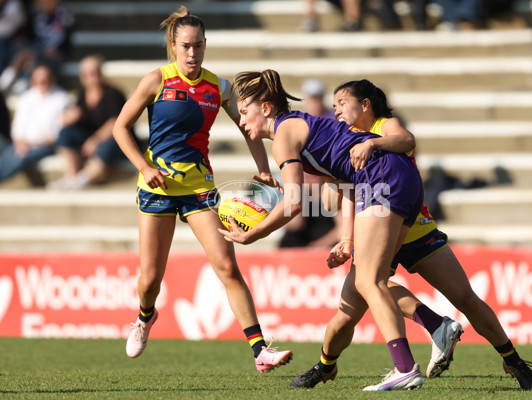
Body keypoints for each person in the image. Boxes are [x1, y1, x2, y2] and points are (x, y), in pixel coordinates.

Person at [290, 79, 532, 391]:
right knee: (349, 311)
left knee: (463, 297)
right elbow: (348, 191)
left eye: (342, 102)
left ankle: (512, 359)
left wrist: (372, 143)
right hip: (379, 226)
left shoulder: (384, 125)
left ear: (365, 104)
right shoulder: (346, 141)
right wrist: (347, 238)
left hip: (410, 224)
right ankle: (325, 367)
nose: (337, 109)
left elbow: (406, 140)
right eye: (335, 104)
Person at [223, 69, 429, 391]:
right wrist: (347, 238)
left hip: (383, 178)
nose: (241, 119)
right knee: (357, 292)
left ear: (265, 108)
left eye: (245, 111)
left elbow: (293, 203)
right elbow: (345, 183)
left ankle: (405, 367)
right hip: (404, 179)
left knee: (368, 280)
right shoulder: (302, 127)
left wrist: (253, 234)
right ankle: (332, 365)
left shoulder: (283, 136)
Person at [112, 7, 292, 372]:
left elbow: (248, 126)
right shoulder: (156, 80)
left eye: (198, 46)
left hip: (199, 190)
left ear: (206, 45)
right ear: (173, 46)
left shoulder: (220, 87)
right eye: (186, 47)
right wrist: (145, 167)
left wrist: (262, 166)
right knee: (149, 279)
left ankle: (260, 350)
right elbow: (119, 128)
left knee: (227, 265)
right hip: (157, 189)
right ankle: (146, 316)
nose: (192, 54)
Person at [47, 55, 130, 190]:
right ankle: (71, 176)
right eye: (87, 74)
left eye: (94, 73)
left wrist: (95, 140)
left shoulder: (113, 94)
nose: (92, 77)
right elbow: (69, 119)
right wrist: (68, 117)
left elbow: (116, 122)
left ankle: (82, 179)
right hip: (89, 139)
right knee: (65, 134)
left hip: (110, 141)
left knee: (110, 145)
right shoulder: (82, 95)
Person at [0, 64, 70, 185]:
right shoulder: (27, 97)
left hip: (45, 145)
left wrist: (30, 144)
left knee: (22, 157)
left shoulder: (62, 99)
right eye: (39, 78)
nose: (42, 81)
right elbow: (18, 125)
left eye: (45, 78)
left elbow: (55, 132)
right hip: (23, 144)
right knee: (11, 154)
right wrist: (20, 142)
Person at [0, 0, 75, 93]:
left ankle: (10, 80)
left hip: (54, 57)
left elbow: (66, 45)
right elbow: (28, 36)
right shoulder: (35, 17)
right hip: (35, 51)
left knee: (26, 55)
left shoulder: (65, 18)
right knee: (22, 51)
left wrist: (56, 50)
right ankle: (19, 81)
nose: (43, 3)